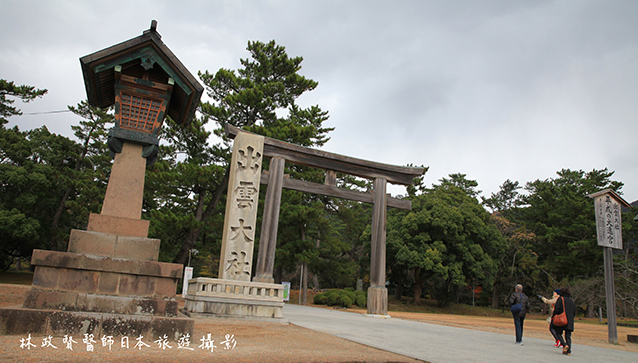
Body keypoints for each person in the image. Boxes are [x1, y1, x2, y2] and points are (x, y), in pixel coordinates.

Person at [551, 287, 576, 355]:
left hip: (562, 320)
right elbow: (574, 311)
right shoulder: (571, 301)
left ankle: (565, 345)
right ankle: (569, 351)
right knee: (568, 336)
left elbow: (557, 309)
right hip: (570, 320)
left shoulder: (561, 299)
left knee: (558, 333)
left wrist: (554, 316)